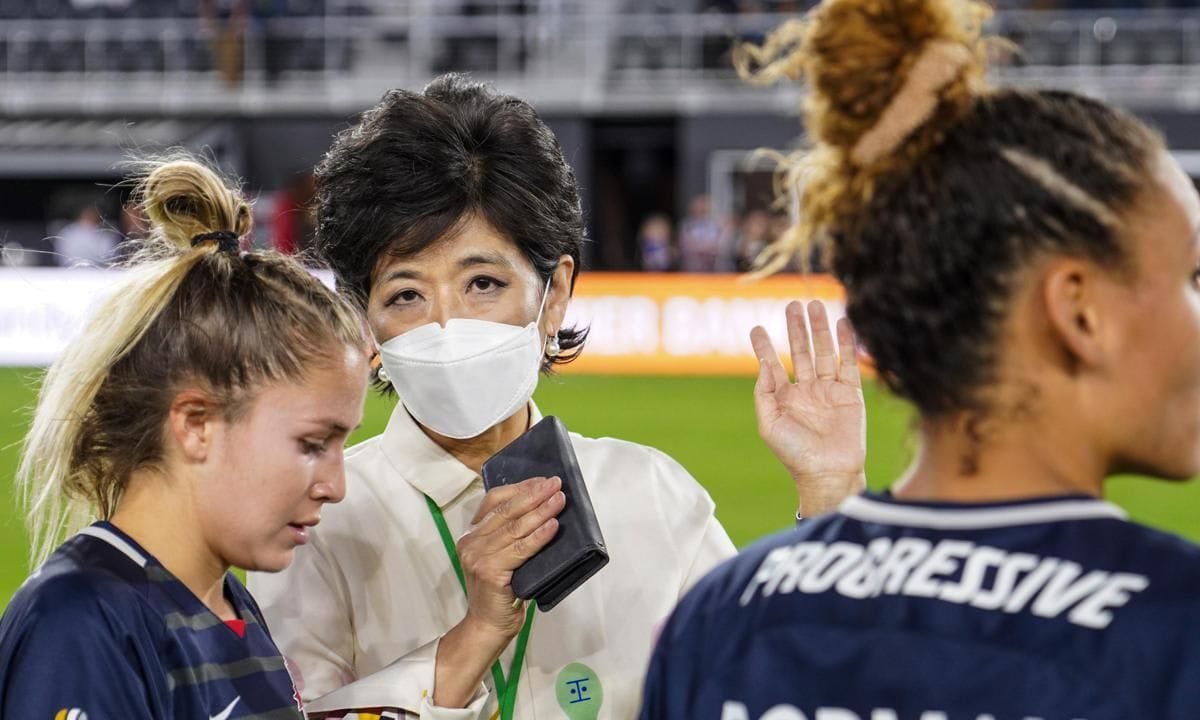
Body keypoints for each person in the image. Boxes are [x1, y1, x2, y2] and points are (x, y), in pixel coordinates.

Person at [640, 0, 1200, 718]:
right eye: (1190, 277)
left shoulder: (723, 618)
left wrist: (832, 506)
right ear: (1078, 309)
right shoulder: (1173, 630)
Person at [248, 73, 867, 719]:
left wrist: (829, 500)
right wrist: (474, 637)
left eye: (482, 283)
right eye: (405, 294)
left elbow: (772, 695)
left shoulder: (652, 494)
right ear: (361, 317)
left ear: (556, 294)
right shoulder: (314, 526)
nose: (445, 325)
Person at [0, 157, 371, 718]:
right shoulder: (79, 622)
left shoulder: (227, 599)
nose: (335, 485)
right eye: (313, 443)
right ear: (196, 425)